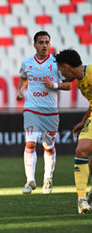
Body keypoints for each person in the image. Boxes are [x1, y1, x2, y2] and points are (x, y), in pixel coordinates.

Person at [16, 31, 71, 195]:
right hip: (31, 109)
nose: (44, 45)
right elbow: (23, 78)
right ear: (34, 45)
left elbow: (68, 85)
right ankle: (30, 180)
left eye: (47, 42)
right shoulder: (27, 63)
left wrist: (53, 85)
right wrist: (20, 91)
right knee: (30, 143)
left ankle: (48, 178)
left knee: (48, 147)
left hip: (50, 112)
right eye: (41, 42)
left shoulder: (56, 63)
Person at [55, 49, 92, 214]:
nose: (61, 74)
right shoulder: (80, 81)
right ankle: (82, 200)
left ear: (66, 66)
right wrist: (83, 121)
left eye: (60, 69)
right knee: (81, 150)